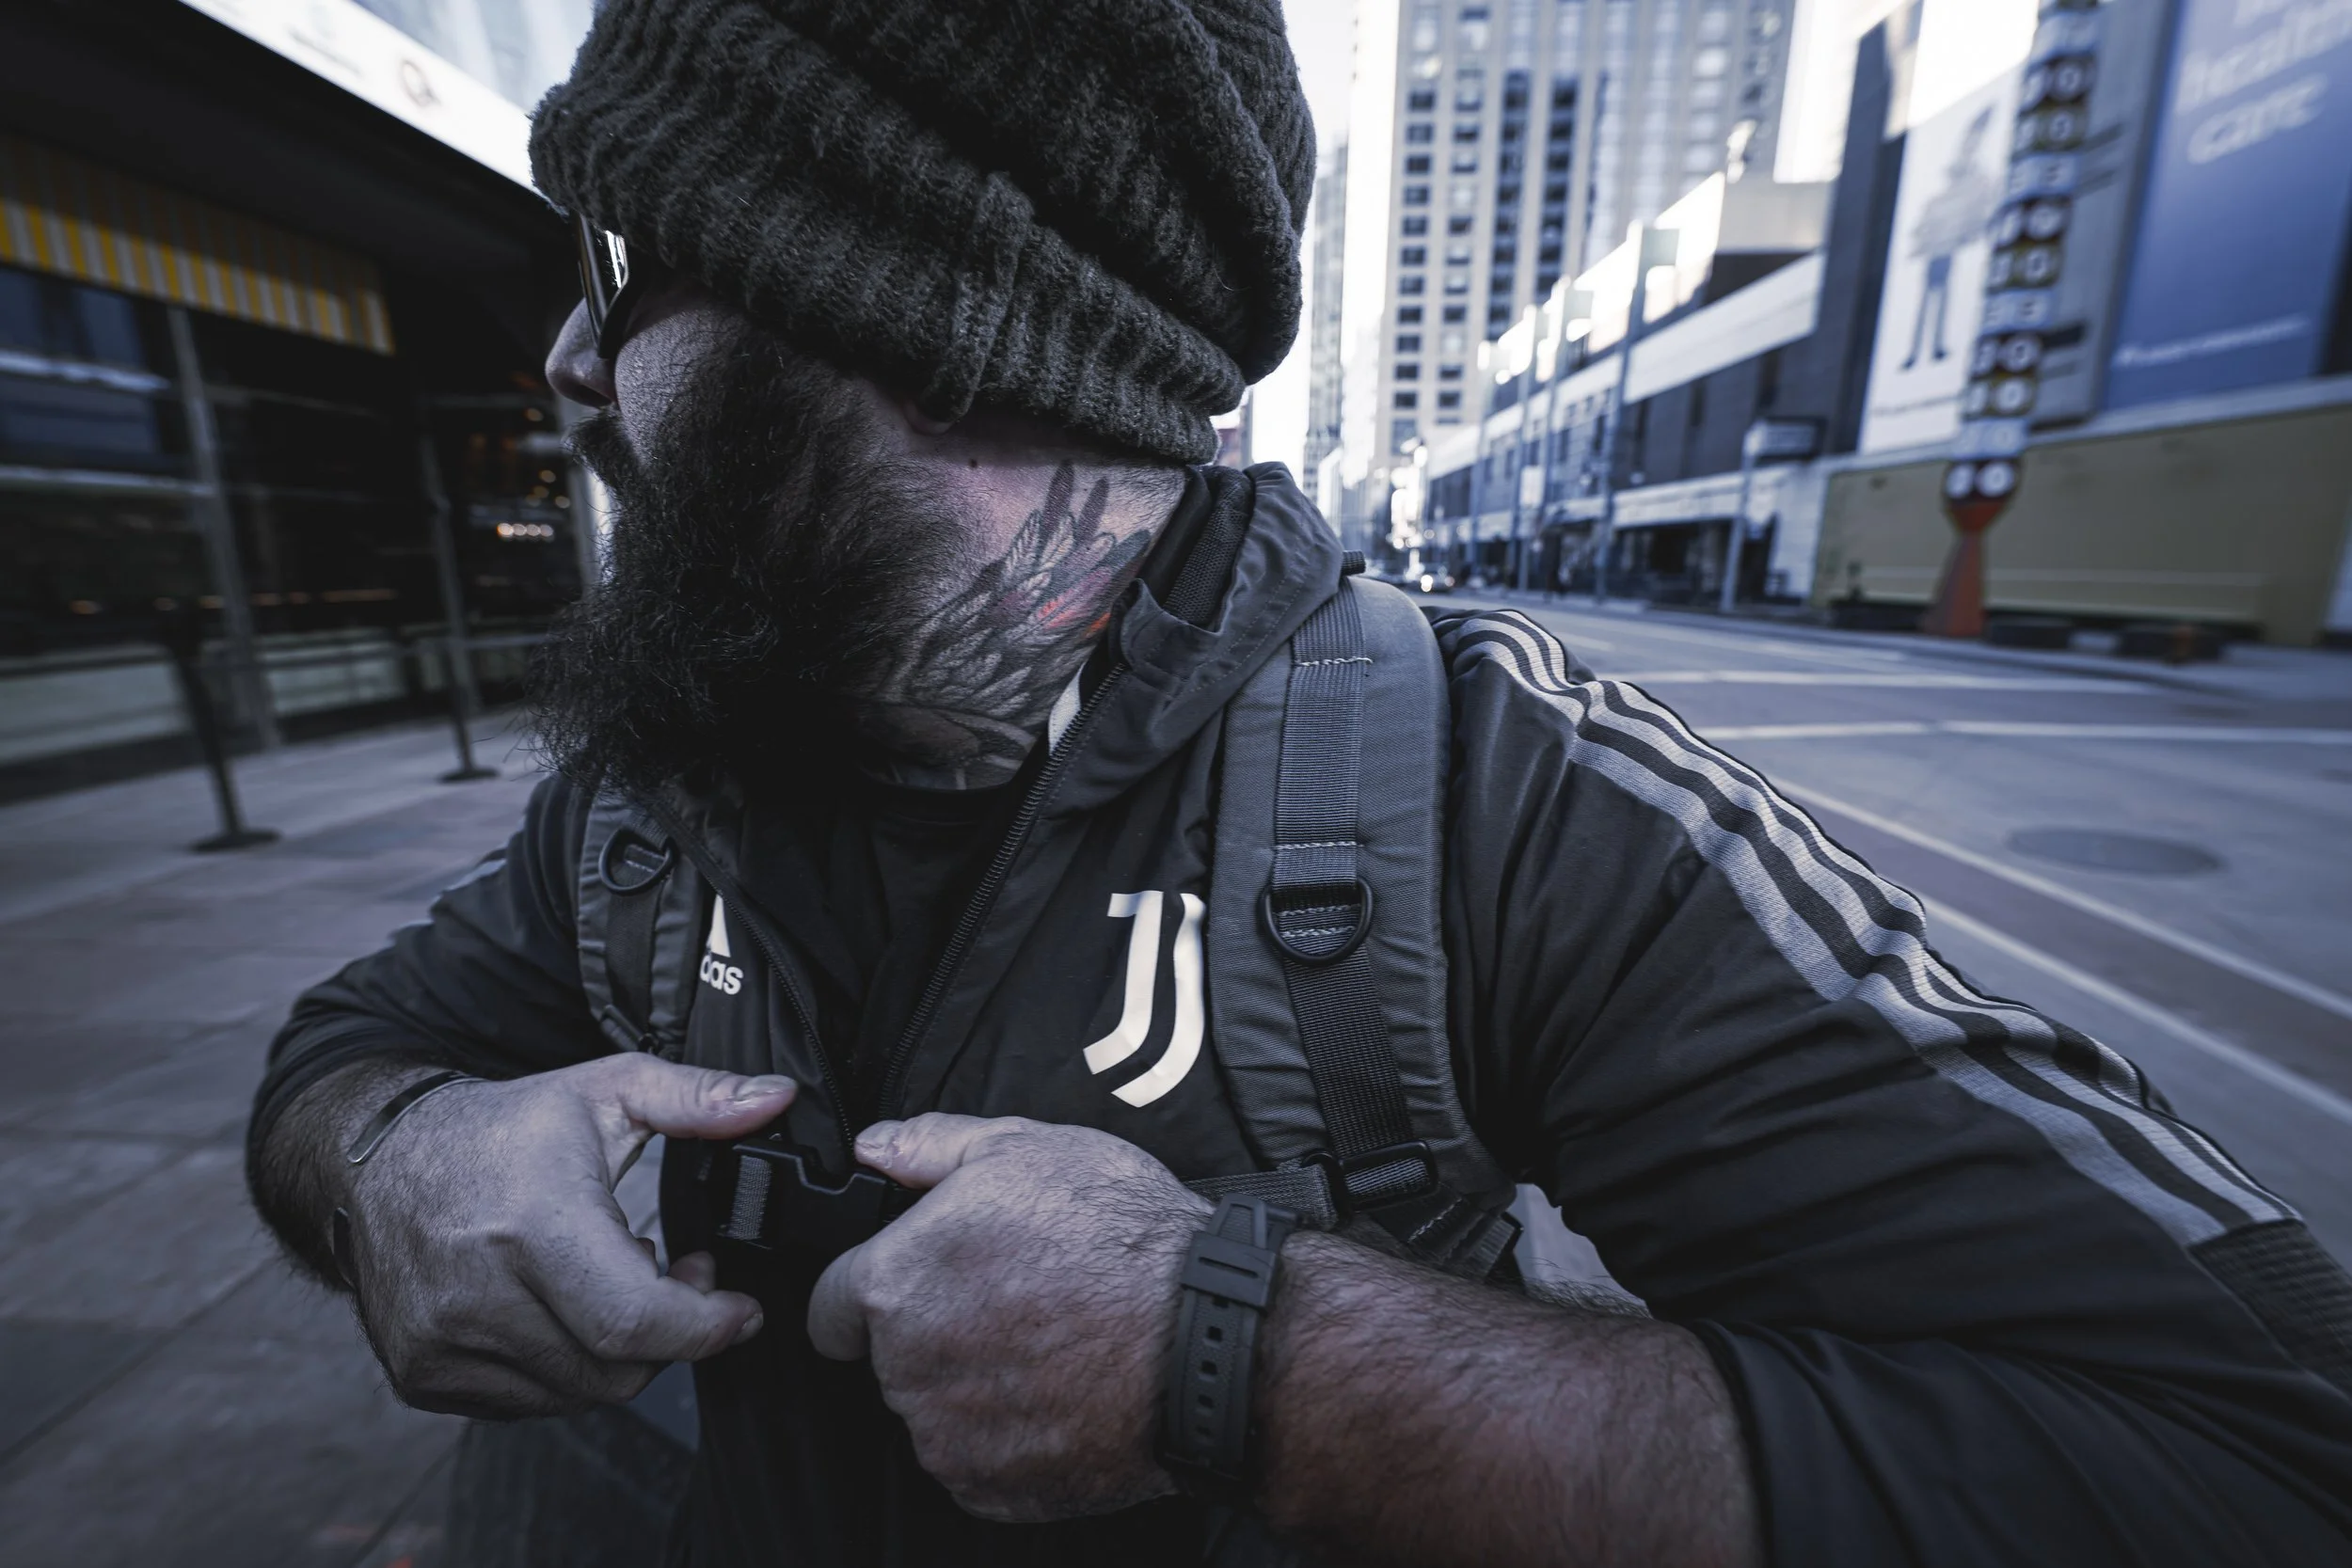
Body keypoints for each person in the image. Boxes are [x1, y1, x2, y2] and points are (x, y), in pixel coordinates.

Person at [246, 4, 2352, 1565]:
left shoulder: (1493, 793)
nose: (569, 367)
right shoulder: (672, 770)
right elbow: (358, 1050)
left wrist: (1251, 1362)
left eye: (614, 263)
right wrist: (400, 1157)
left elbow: (2256, 1448)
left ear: (863, 296)